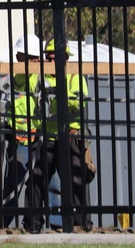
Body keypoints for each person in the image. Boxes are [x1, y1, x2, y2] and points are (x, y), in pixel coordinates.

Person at [24, 38, 91, 231]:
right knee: (36, 179)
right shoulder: (39, 75)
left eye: (56, 58)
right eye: (49, 58)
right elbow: (25, 89)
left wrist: (58, 96)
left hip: (69, 137)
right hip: (47, 138)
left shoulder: (73, 76)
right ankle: (33, 224)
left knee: (76, 181)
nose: (52, 62)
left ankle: (81, 225)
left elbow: (80, 101)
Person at [0, 34, 43, 226]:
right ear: (19, 58)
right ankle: (2, 224)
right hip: (18, 140)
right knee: (13, 185)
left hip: (39, 138)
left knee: (38, 183)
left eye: (35, 59)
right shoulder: (9, 81)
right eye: (29, 58)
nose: (33, 62)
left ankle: (33, 223)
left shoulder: (40, 79)